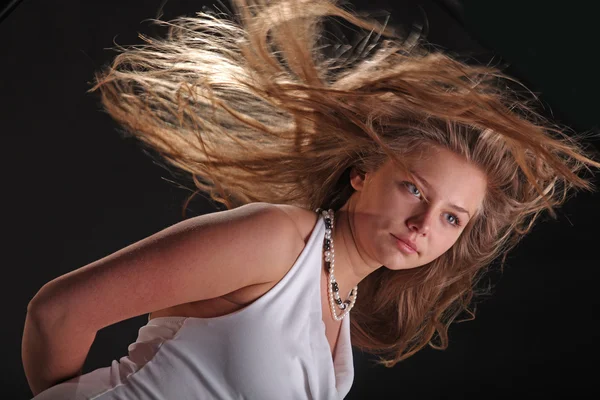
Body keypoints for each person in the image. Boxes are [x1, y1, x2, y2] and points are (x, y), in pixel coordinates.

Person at [22, 0, 600, 399]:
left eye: (452, 217)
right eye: (414, 189)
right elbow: (59, 314)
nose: (424, 223)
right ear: (362, 171)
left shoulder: (341, 312)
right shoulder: (276, 240)